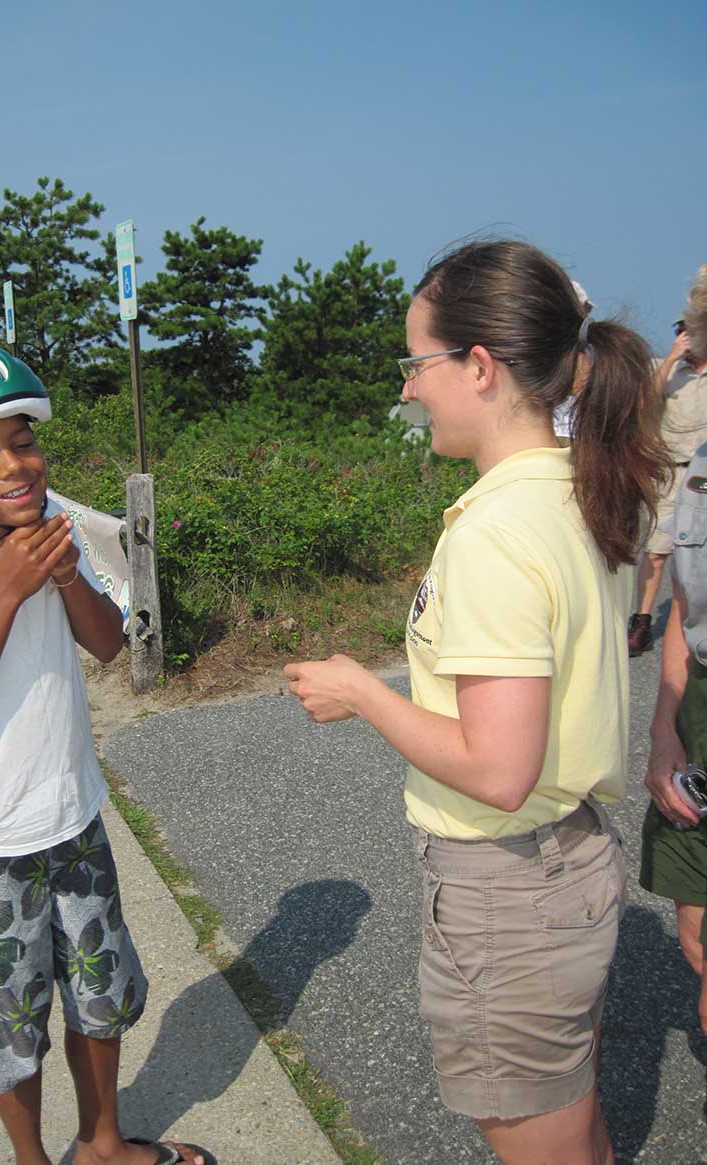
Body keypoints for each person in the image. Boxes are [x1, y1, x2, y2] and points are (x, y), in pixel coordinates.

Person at [284, 240, 671, 1165]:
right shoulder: (578, 490)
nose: (409, 389)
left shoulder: (497, 531)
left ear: (481, 367)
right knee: (567, 1118)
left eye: (416, 364)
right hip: (563, 861)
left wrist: (363, 694)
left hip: (510, 891)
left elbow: (499, 772)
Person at [0, 345, 213, 1165]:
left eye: (22, 441)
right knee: (9, 1022)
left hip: (73, 818)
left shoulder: (52, 526)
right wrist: (5, 590)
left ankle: (101, 1144)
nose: (13, 465)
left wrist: (67, 578)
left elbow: (105, 646)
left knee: (101, 1000)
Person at [640, 276, 707, 1040]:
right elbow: (687, 605)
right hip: (697, 705)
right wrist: (664, 729)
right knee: (694, 937)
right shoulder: (700, 463)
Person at [628, 304, 707, 657]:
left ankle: (696, 623)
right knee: (657, 551)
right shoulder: (664, 368)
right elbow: (642, 403)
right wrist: (673, 357)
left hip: (703, 470)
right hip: (668, 469)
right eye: (682, 329)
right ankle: (642, 622)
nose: (687, 335)